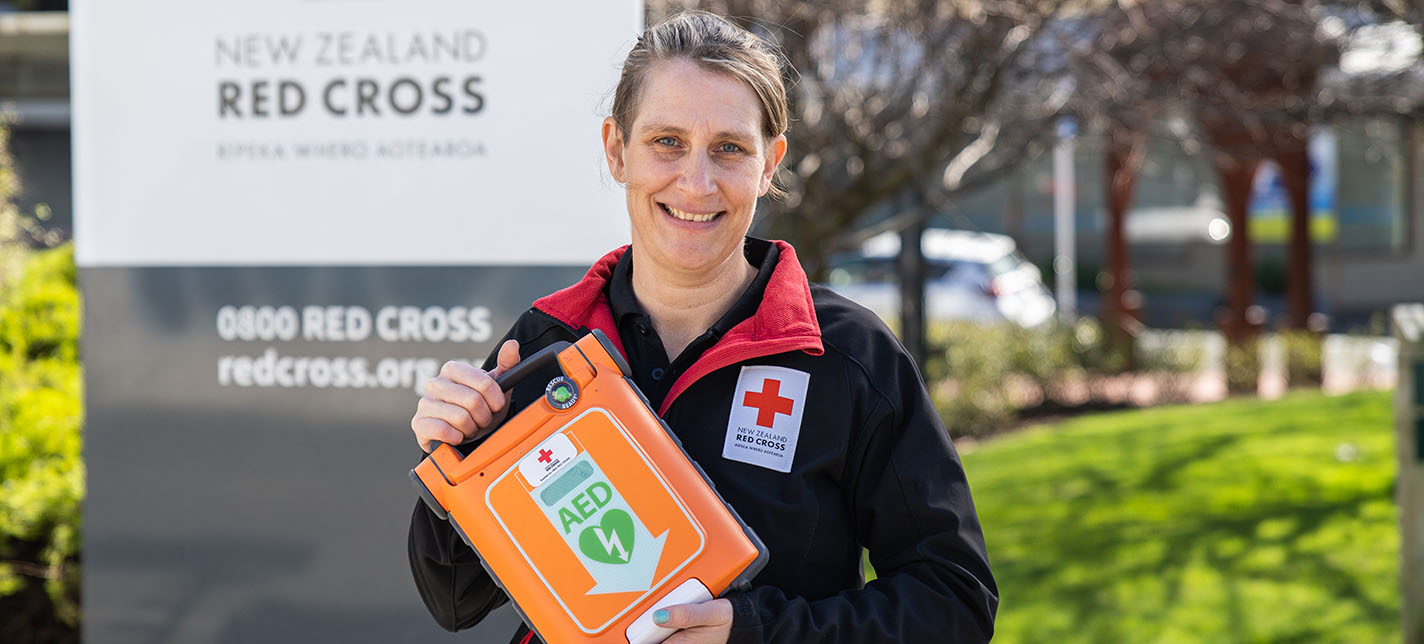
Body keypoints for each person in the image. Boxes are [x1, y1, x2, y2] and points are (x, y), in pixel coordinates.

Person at [407, 11, 997, 644]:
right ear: (616, 150)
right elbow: (454, 600)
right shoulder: (551, 341)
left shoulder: (847, 356)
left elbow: (954, 602)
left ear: (770, 164)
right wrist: (456, 457)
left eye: (729, 148)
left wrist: (754, 633)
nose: (697, 181)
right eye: (667, 141)